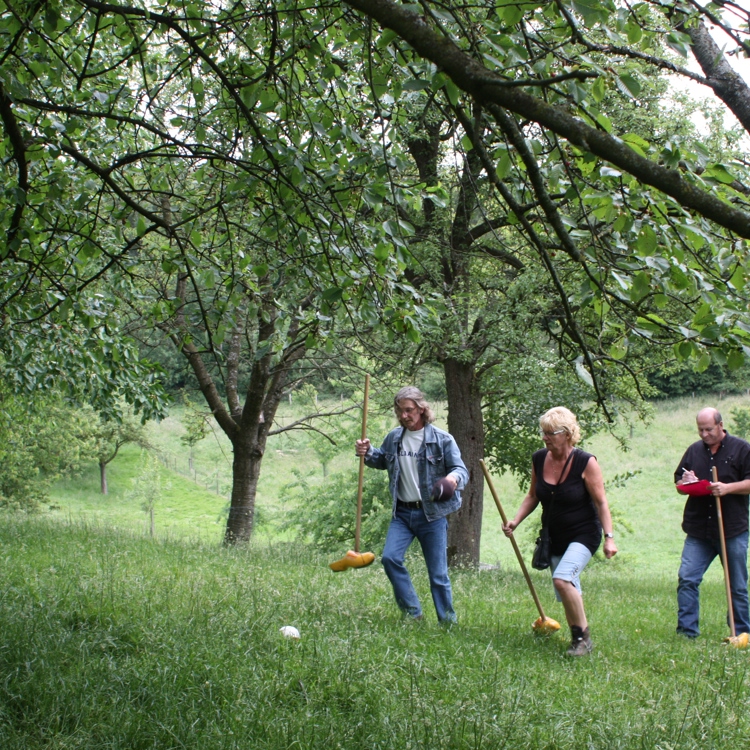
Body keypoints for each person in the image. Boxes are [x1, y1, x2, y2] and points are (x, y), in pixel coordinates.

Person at [502, 406, 617, 656]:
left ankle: (582, 640)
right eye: (543, 432)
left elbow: (601, 502)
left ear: (567, 433)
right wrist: (515, 521)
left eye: (550, 433)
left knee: (562, 580)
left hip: (584, 534)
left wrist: (609, 538)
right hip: (554, 536)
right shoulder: (539, 458)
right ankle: (578, 638)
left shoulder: (586, 462)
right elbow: (533, 495)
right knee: (566, 590)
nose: (545, 438)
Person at [355, 386, 469, 624]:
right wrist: (367, 452)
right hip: (402, 513)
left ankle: (448, 622)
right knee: (389, 559)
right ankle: (412, 612)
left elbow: (461, 471)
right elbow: (381, 460)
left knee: (438, 574)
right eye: (400, 411)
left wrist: (452, 479)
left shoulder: (442, 440)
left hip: (432, 516)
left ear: (421, 409)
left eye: (409, 410)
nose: (404, 415)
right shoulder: (395, 437)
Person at [673, 407, 750, 638]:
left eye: (709, 429)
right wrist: (686, 481)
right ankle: (687, 632)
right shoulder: (694, 450)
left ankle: (742, 633)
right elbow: (679, 482)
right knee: (687, 579)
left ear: (720, 425)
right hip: (699, 530)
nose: (704, 434)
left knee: (736, 585)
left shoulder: (742, 448)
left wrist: (727, 488)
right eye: (700, 429)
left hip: (732, 529)